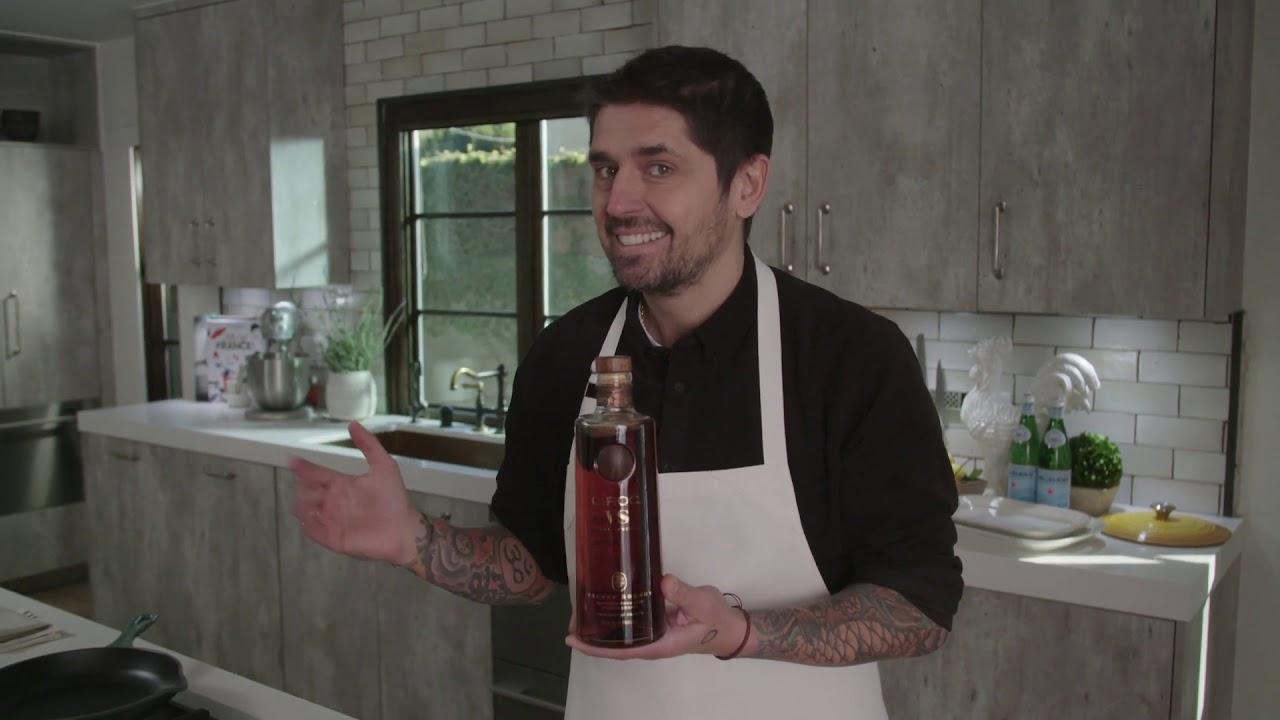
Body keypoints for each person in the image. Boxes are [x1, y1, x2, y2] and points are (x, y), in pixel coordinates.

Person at [291, 45, 962, 719]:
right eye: (606, 169)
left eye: (658, 167)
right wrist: (416, 541)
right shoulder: (566, 356)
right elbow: (538, 563)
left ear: (747, 185)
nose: (619, 201)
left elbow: (919, 606)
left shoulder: (850, 358)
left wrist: (741, 633)